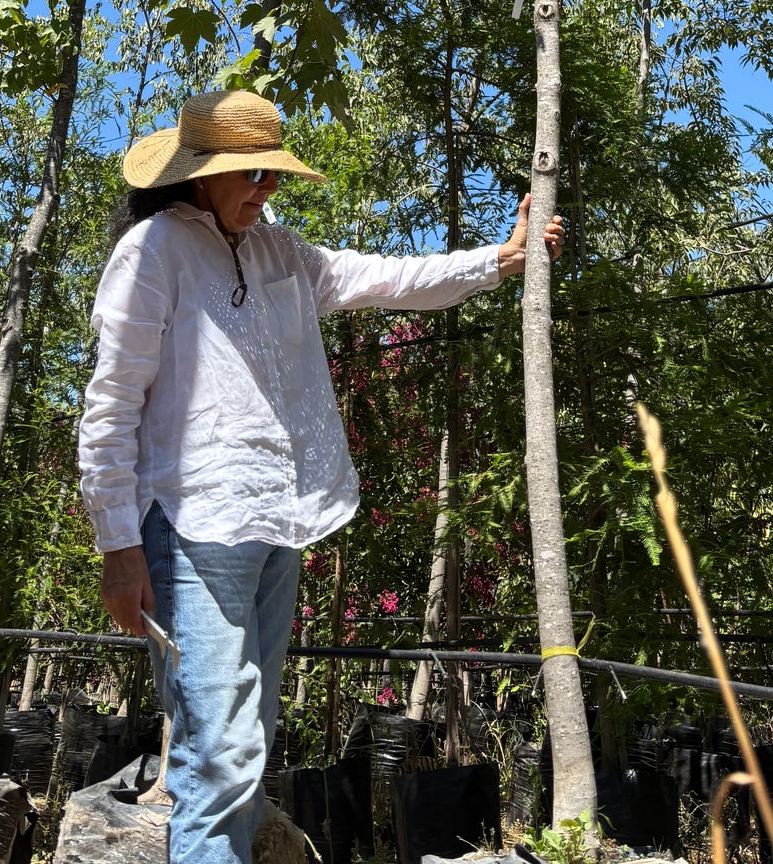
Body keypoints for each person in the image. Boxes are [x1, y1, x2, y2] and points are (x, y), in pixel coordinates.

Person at [77, 89, 562, 864]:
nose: (264, 191)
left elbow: (385, 278)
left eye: (271, 176)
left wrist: (497, 262)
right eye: (250, 176)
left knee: (247, 742)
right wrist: (118, 546)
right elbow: (109, 406)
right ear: (198, 174)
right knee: (217, 749)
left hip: (277, 519)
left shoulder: (279, 251)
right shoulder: (153, 251)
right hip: (190, 527)